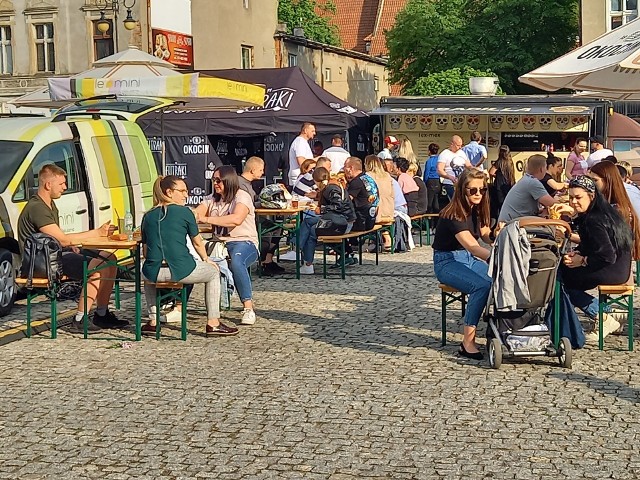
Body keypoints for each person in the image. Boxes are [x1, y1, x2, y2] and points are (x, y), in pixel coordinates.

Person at [17, 164, 126, 333]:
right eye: (61, 184)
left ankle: (102, 314)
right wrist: (95, 233)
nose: (65, 187)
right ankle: (79, 319)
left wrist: (74, 244)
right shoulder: (37, 208)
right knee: (97, 267)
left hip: (53, 253)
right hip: (42, 262)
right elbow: (61, 239)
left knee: (109, 259)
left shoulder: (50, 205)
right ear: (48, 185)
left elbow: (57, 238)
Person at [141, 175, 238, 336]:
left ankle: (153, 321)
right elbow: (197, 242)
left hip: (154, 272)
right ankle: (213, 323)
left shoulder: (148, 215)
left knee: (147, 273)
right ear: (169, 192)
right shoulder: (185, 212)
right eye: (182, 191)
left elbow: (145, 251)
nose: (186, 195)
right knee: (214, 273)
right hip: (180, 270)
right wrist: (207, 260)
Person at [560, 176, 632, 342]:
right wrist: (579, 254)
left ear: (591, 196)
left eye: (578, 197)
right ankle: (606, 314)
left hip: (610, 268)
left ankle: (603, 316)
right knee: (563, 275)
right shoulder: (604, 211)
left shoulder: (594, 220)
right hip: (619, 267)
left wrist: (582, 260)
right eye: (571, 197)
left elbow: (607, 255)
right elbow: (593, 245)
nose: (573, 202)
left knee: (560, 282)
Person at [432, 168, 492, 360]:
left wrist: (500, 234)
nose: (478, 194)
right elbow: (474, 247)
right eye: (472, 190)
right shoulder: (453, 214)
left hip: (467, 258)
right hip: (447, 261)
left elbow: (485, 235)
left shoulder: (478, 207)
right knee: (481, 287)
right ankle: (467, 343)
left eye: (482, 190)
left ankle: (499, 327)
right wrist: (496, 259)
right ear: (461, 190)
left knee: (499, 279)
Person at [196, 166, 261, 326]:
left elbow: (236, 219)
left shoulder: (242, 196)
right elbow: (197, 213)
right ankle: (178, 306)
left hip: (244, 241)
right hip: (219, 242)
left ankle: (248, 308)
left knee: (237, 261)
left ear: (229, 180)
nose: (215, 184)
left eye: (219, 180)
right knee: (193, 259)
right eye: (213, 180)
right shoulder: (212, 198)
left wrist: (207, 219)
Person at [298, 167, 356, 274]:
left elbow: (337, 205)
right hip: (342, 220)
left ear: (315, 180)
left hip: (342, 224)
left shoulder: (331, 188)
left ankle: (307, 263)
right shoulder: (331, 186)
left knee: (311, 232)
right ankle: (298, 248)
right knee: (307, 221)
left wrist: (320, 209)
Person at [238, 156, 285, 276]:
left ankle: (267, 261)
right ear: (252, 170)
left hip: (254, 217)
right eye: (260, 170)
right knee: (267, 230)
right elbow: (248, 204)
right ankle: (263, 262)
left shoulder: (247, 183)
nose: (263, 172)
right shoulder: (241, 184)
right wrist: (267, 202)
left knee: (278, 226)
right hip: (246, 221)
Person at [588, 160, 640, 261]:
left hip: (619, 263)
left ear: (607, 180)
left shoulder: (616, 208)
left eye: (594, 180)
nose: (591, 184)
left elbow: (605, 244)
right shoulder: (619, 197)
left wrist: (570, 235)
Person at [497, 154, 558, 224]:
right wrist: (569, 208)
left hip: (509, 223)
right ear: (541, 169)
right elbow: (553, 204)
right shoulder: (532, 183)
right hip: (511, 227)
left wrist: (541, 210)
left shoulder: (526, 179)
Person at [344, 156, 378, 263]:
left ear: (350, 168)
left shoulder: (356, 182)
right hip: (371, 218)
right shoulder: (367, 178)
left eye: (345, 167)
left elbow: (346, 201)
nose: (344, 170)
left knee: (336, 226)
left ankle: (346, 254)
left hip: (362, 221)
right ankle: (347, 253)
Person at [364, 155, 395, 250]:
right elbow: (392, 194)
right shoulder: (387, 175)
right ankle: (386, 236)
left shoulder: (368, 176)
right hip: (389, 209)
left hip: (377, 211)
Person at [488, 145, 516, 222]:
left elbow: (491, 172)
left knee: (499, 207)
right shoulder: (510, 162)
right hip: (508, 186)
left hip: (499, 187)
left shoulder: (499, 162)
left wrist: (497, 176)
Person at [423, 143, 442, 220]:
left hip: (430, 182)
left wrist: (424, 182)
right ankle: (437, 224)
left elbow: (426, 173)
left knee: (429, 204)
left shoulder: (429, 161)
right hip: (438, 181)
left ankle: (429, 224)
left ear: (429, 151)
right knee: (436, 204)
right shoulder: (439, 160)